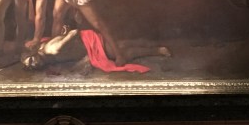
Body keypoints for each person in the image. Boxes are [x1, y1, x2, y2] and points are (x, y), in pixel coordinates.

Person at [21, 26, 171, 73]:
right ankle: (152, 44)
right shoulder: (43, 47)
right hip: (88, 43)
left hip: (90, 45)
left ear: (33, 54)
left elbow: (74, 32)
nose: (34, 64)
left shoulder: (53, 50)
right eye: (30, 65)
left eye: (31, 60)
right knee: (122, 44)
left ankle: (158, 50)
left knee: (125, 52)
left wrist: (68, 35)